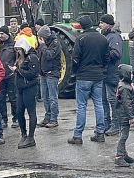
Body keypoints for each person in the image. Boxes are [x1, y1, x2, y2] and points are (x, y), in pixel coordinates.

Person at [68, 16, 108, 145]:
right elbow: (107, 57)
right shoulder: (103, 38)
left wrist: (75, 72)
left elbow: (75, 59)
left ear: (82, 26)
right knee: (99, 104)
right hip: (98, 75)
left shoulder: (81, 39)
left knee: (81, 106)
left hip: (84, 76)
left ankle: (78, 135)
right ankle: (100, 133)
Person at [13, 42, 40, 148]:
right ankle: (23, 134)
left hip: (29, 88)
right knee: (19, 112)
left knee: (31, 112)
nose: (18, 51)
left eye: (20, 49)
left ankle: (31, 137)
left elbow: (32, 74)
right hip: (20, 88)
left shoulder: (32, 57)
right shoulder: (20, 58)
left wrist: (18, 70)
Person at [99, 14, 123, 137]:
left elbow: (116, 53)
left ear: (108, 24)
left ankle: (115, 124)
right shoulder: (105, 36)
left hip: (111, 73)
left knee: (112, 100)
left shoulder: (114, 37)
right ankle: (106, 123)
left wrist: (103, 53)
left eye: (102, 23)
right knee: (103, 100)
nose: (100, 25)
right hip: (104, 73)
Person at [113, 64, 134, 167]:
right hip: (124, 116)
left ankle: (124, 154)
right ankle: (119, 156)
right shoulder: (125, 88)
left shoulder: (122, 85)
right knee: (124, 136)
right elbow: (127, 104)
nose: (132, 75)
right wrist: (131, 117)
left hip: (121, 114)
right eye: (131, 73)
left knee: (122, 134)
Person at [37, 25, 61, 128]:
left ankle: (54, 119)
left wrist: (42, 45)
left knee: (52, 97)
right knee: (45, 97)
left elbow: (49, 55)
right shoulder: (45, 43)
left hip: (52, 73)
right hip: (43, 73)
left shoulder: (55, 43)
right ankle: (48, 116)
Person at [0, 26, 19, 129]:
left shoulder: (13, 45)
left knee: (13, 98)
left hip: (11, 76)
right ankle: (3, 119)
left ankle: (16, 118)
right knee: (1, 99)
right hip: (0, 77)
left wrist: (15, 68)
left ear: (7, 34)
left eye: (2, 34)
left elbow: (18, 58)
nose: (0, 36)